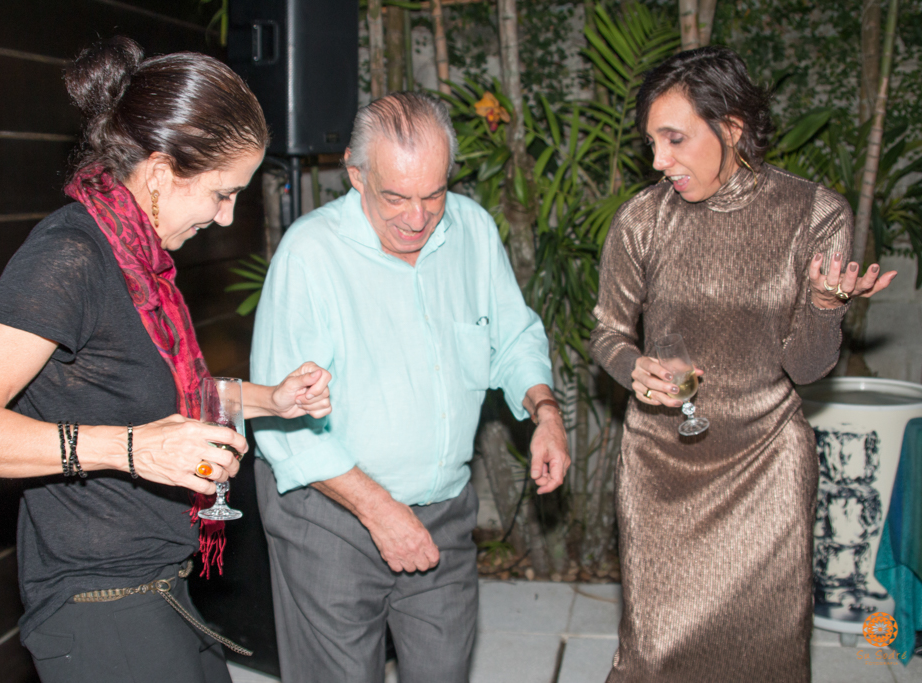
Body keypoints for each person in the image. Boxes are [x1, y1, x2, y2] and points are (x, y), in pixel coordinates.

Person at [0, 37, 332, 683]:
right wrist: (132, 449)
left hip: (158, 583)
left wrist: (273, 399)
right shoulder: (71, 256)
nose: (226, 219)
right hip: (97, 600)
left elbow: (161, 390)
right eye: (223, 193)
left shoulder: (142, 263)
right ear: (163, 172)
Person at [590, 46, 897, 683]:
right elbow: (608, 336)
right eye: (651, 142)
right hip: (661, 469)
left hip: (766, 470)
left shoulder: (815, 215)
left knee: (764, 656)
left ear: (730, 127)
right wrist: (634, 367)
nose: (658, 161)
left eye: (674, 139)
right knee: (653, 654)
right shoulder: (643, 220)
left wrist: (820, 304)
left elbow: (808, 368)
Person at [249, 91, 570, 683]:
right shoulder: (311, 254)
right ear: (354, 173)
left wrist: (544, 411)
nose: (417, 218)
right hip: (329, 516)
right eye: (395, 197)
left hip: (444, 508)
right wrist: (379, 510)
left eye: (433, 195)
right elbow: (282, 425)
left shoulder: (471, 229)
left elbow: (513, 335)